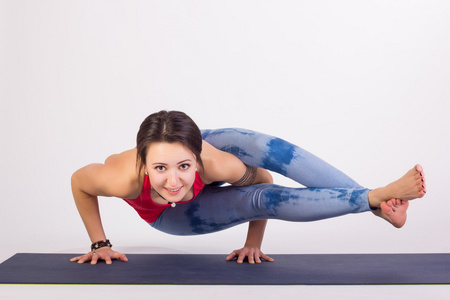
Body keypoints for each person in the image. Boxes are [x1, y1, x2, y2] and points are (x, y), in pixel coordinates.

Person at [70, 110, 426, 265]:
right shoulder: (121, 178)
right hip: (168, 216)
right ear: (144, 166)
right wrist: (100, 244)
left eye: (183, 167)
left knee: (259, 150)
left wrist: (253, 243)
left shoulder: (215, 162)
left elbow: (264, 185)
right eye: (160, 169)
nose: (174, 181)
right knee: (253, 197)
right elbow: (79, 183)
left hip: (203, 151)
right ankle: (373, 199)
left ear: (197, 159)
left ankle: (373, 200)